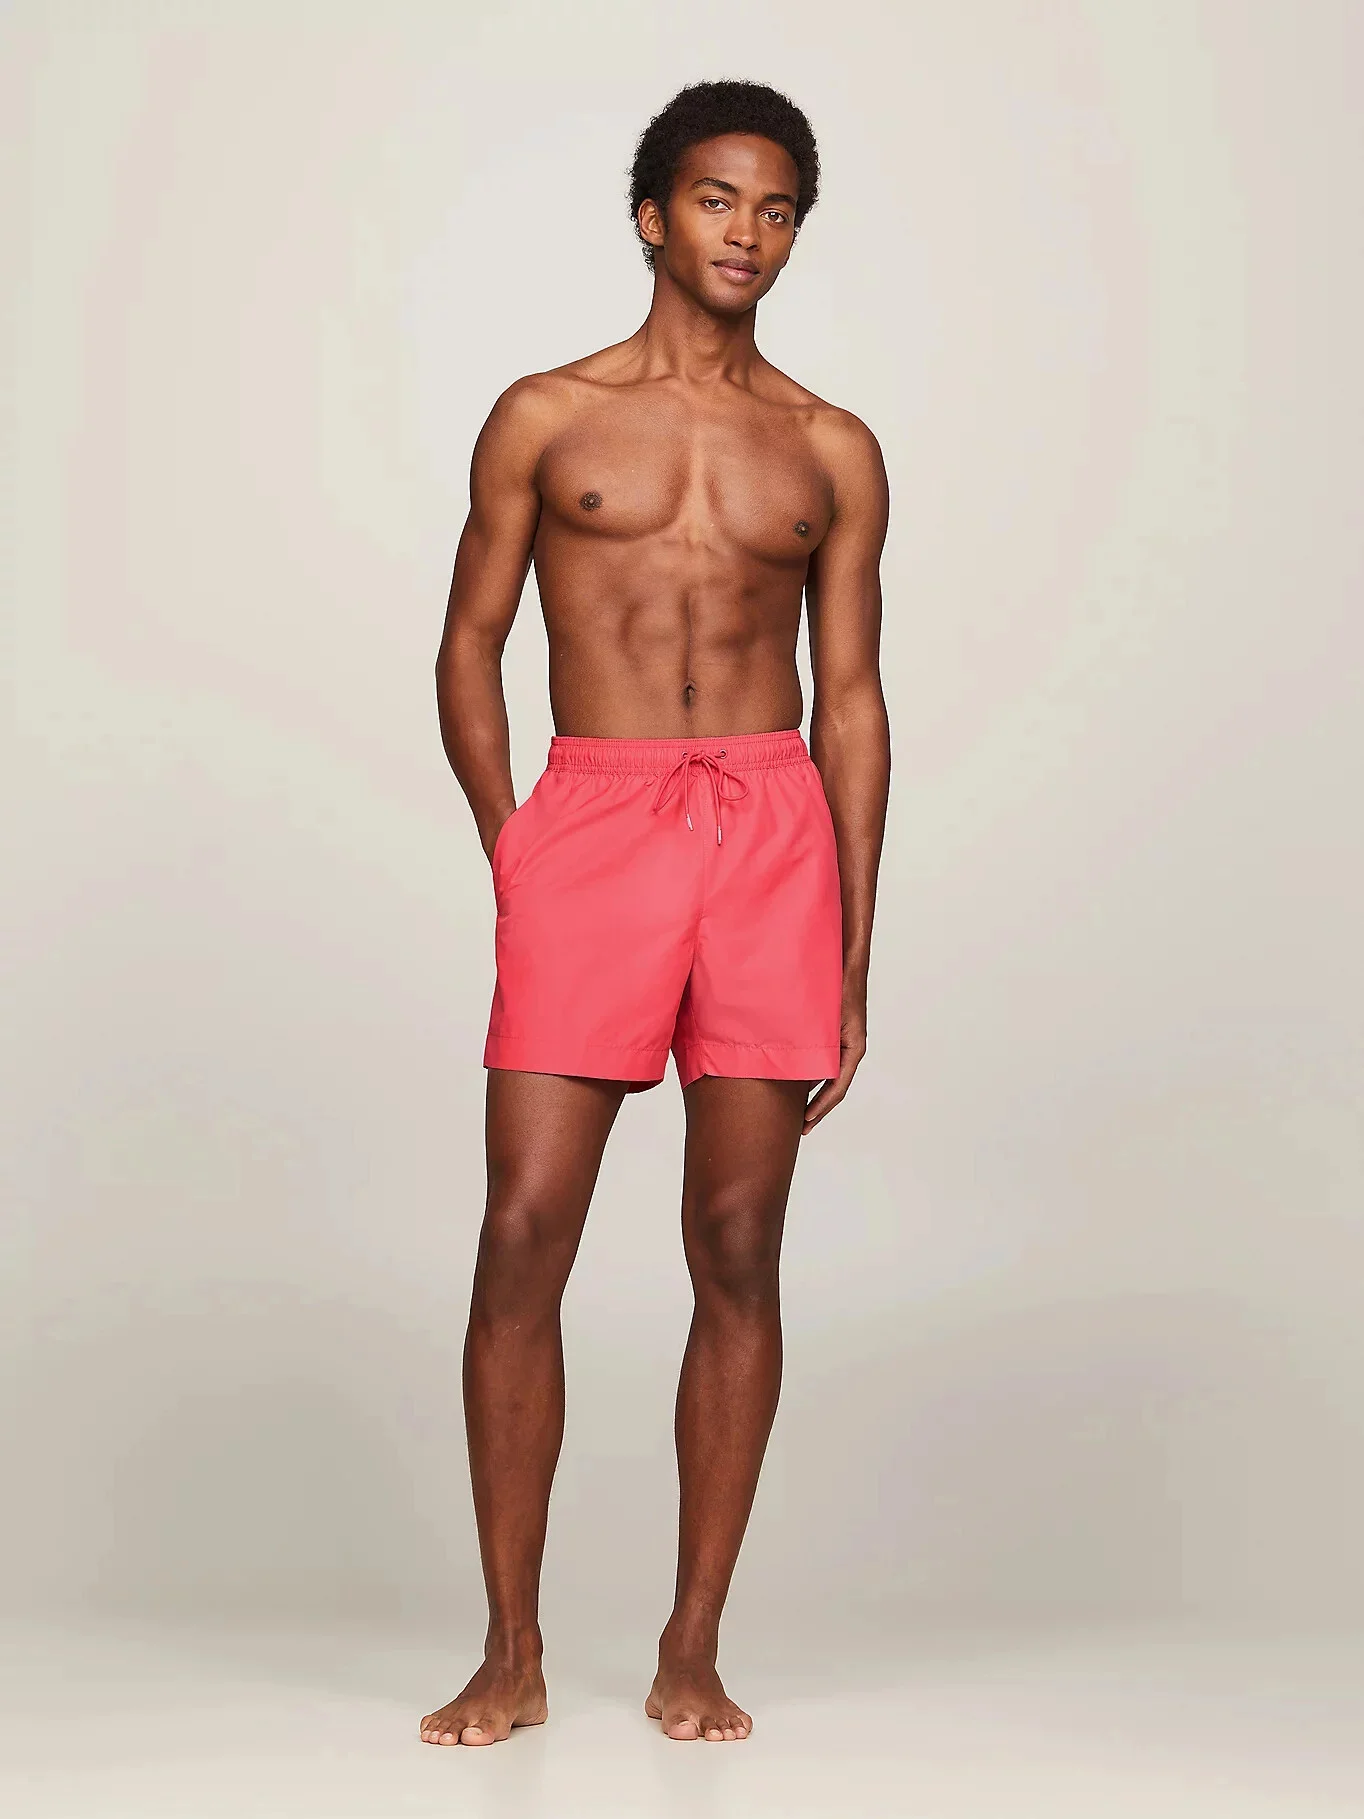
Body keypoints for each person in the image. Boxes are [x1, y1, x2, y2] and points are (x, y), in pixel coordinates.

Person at [422, 78, 890, 1748]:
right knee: (523, 1228)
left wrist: (853, 938)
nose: (746, 231)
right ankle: (511, 1645)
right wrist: (519, 848)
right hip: (597, 814)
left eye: (775, 209)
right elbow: (469, 640)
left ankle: (693, 1639)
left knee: (738, 1241)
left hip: (769, 829)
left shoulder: (829, 447)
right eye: (715, 199)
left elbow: (853, 696)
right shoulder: (547, 417)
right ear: (651, 215)